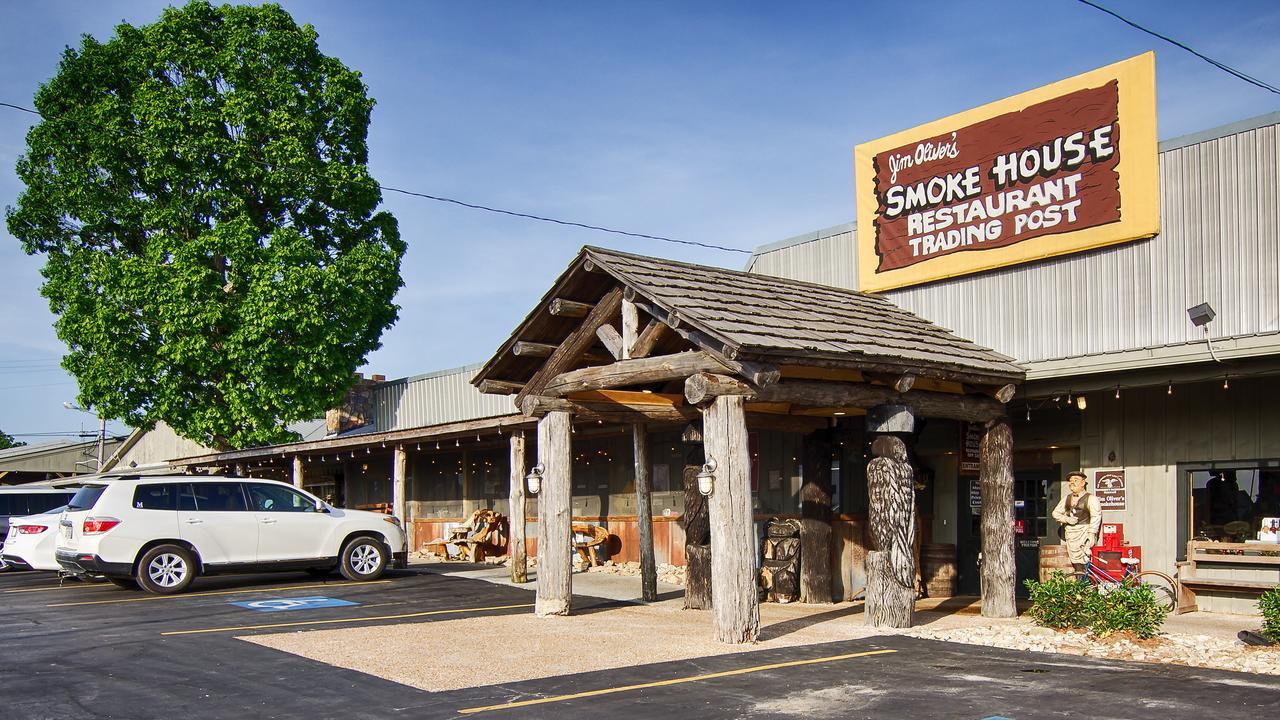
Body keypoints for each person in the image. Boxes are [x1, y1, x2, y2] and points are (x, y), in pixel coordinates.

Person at [1051, 471, 1102, 573]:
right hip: (1071, 534)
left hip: (1084, 532)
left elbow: (1096, 516)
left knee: (1086, 559)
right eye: (1070, 481)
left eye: (1076, 480)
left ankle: (1088, 583)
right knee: (1075, 561)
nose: (1072, 483)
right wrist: (1067, 519)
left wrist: (1091, 533)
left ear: (1083, 483)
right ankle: (1080, 583)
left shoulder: (1091, 499)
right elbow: (1055, 513)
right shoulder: (1067, 499)